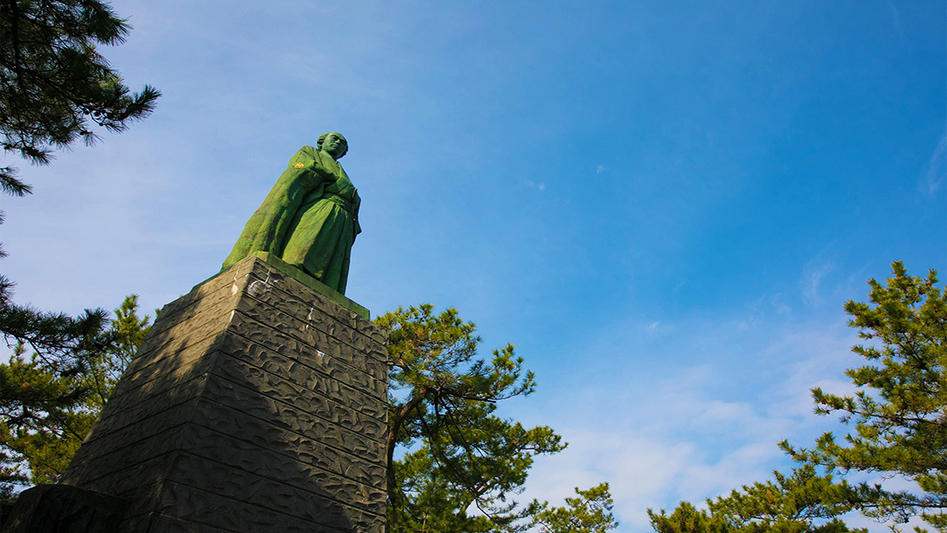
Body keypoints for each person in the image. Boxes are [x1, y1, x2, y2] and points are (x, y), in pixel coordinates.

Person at [221, 132, 361, 294]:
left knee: (330, 260)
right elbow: (304, 167)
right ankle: (291, 270)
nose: (338, 143)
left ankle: (320, 285)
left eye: (342, 143)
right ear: (321, 142)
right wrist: (336, 183)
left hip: (341, 216)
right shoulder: (309, 151)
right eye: (334, 138)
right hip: (318, 206)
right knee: (304, 244)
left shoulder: (341, 170)